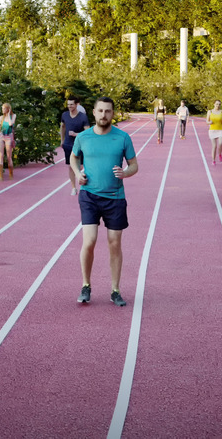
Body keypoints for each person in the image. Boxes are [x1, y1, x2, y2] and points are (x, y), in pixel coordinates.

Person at [70, 97, 138, 307]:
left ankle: (115, 290)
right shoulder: (83, 137)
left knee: (114, 243)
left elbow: (134, 165)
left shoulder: (123, 137)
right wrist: (77, 173)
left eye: (107, 111)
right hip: (89, 196)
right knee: (89, 241)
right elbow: (74, 158)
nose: (103, 115)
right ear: (94, 112)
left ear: (113, 113)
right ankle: (86, 285)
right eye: (100, 111)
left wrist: (125, 173)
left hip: (115, 199)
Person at [59, 95, 91, 195]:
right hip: (68, 144)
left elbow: (88, 132)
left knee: (81, 166)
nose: (69, 106)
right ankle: (73, 187)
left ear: (77, 105)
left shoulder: (82, 116)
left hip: (80, 145)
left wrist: (76, 134)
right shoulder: (64, 115)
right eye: (68, 105)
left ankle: (82, 181)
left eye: (72, 104)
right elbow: (63, 127)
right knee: (71, 167)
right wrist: (62, 140)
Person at [0, 102, 16, 180]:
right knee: (1, 155)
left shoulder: (13, 116)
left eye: (4, 108)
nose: (2, 110)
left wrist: (8, 115)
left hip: (9, 137)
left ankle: (11, 175)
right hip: (1, 136)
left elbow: (10, 124)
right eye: (2, 108)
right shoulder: (1, 117)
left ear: (8, 109)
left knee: (9, 157)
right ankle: (0, 176)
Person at [206, 100, 222, 165]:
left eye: (219, 104)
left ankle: (219, 153)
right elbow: (207, 122)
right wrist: (209, 122)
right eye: (216, 104)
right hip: (212, 130)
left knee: (221, 143)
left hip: (220, 130)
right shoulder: (210, 111)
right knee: (214, 146)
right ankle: (213, 160)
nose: (218, 106)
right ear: (214, 104)